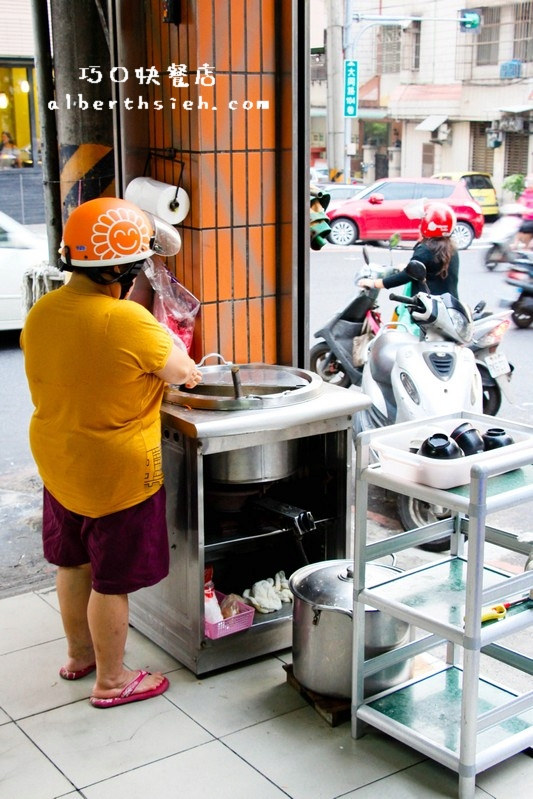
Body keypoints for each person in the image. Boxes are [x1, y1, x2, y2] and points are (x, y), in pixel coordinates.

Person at [20, 197, 203, 709]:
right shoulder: (127, 320)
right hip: (116, 474)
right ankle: (112, 679)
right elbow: (183, 371)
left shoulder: (42, 311)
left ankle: (80, 657)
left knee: (73, 563)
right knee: (111, 581)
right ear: (120, 268)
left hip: (60, 462)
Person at [358, 203, 460, 298]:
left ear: (428, 225)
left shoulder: (425, 250)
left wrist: (375, 283)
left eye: (422, 222)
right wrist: (408, 268)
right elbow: (429, 270)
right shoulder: (451, 247)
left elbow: (406, 276)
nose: (419, 226)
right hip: (449, 305)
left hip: (429, 308)